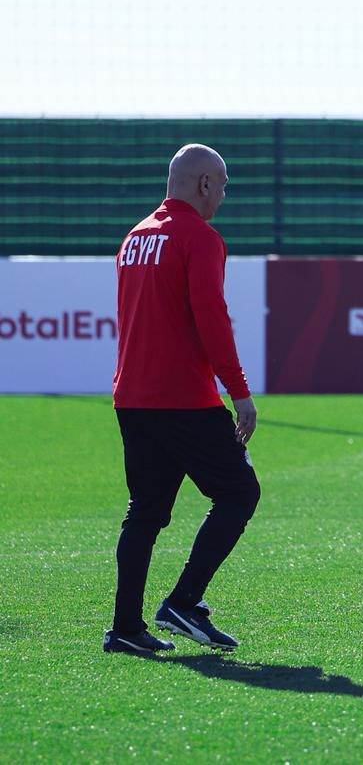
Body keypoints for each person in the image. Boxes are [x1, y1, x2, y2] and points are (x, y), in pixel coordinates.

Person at [104, 144, 261, 654]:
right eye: (223, 186)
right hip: (183, 399)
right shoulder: (199, 237)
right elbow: (211, 318)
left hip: (133, 395)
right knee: (239, 493)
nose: (223, 196)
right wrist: (239, 391)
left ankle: (125, 628)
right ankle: (183, 603)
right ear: (204, 184)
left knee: (145, 512)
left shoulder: (135, 236)